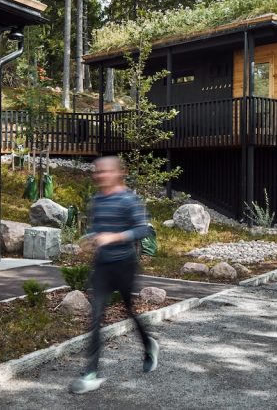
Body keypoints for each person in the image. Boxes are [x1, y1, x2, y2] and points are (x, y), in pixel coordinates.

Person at [69, 156, 159, 394]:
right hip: (102, 265)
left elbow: (143, 230)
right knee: (96, 315)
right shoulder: (97, 199)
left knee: (129, 310)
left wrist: (114, 237)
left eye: (105, 171)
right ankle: (91, 372)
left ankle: (149, 345)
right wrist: (90, 238)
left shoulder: (129, 199)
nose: (100, 175)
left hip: (124, 264)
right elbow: (97, 229)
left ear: (118, 173)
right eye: (97, 171)